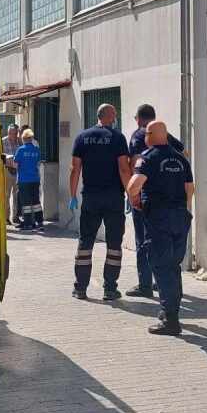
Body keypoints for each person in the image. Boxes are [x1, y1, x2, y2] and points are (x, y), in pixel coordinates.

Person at [125, 121, 194, 336]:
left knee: (162, 266)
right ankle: (171, 312)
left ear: (150, 135)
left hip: (159, 218)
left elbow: (134, 185)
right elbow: (190, 189)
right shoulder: (181, 159)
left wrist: (134, 198)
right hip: (180, 217)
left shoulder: (148, 157)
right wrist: (184, 211)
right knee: (173, 266)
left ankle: (170, 320)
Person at [68, 103, 131, 301]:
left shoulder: (82, 137)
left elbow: (75, 169)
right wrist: (131, 193)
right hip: (113, 198)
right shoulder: (118, 138)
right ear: (110, 116)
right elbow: (124, 169)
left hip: (91, 198)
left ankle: (80, 288)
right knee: (114, 244)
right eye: (115, 114)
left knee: (85, 242)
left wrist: (72, 195)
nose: (116, 117)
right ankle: (110, 289)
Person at [126, 103, 185, 298]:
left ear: (139, 119)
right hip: (172, 201)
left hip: (147, 199)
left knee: (144, 241)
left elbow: (135, 164)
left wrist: (133, 196)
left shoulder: (138, 136)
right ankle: (166, 284)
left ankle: (145, 285)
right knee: (168, 244)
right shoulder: (165, 136)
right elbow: (184, 154)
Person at [13, 129, 43, 230]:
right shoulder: (36, 149)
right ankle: (39, 222)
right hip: (35, 179)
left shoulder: (20, 150)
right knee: (36, 202)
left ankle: (28, 223)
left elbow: (15, 165)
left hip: (24, 180)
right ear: (31, 139)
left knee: (26, 203)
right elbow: (38, 163)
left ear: (23, 139)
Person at [1, 123, 22, 225]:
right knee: (6, 195)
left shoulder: (20, 141)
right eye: (10, 133)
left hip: (17, 170)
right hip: (7, 169)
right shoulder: (3, 141)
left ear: (17, 133)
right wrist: (8, 157)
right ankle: (6, 217)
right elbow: (0, 154)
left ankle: (15, 216)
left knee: (16, 194)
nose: (12, 135)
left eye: (14, 133)